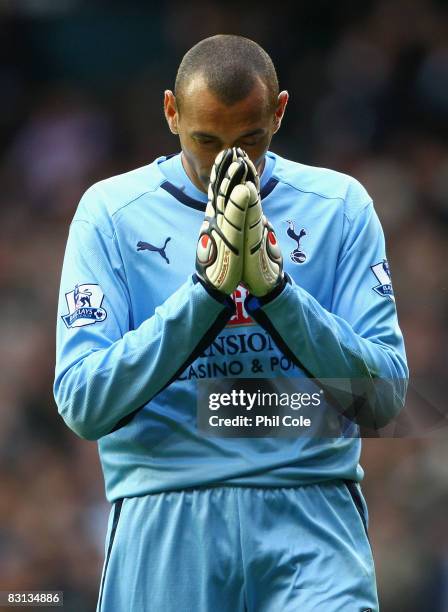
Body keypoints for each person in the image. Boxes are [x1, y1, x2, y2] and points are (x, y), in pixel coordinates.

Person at [54, 34, 408, 612]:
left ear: (280, 111)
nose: (229, 162)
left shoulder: (338, 205)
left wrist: (277, 292)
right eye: (205, 140)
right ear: (171, 112)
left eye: (251, 139)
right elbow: (82, 403)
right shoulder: (110, 214)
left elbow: (387, 396)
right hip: (167, 513)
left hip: (309, 512)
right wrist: (206, 294)